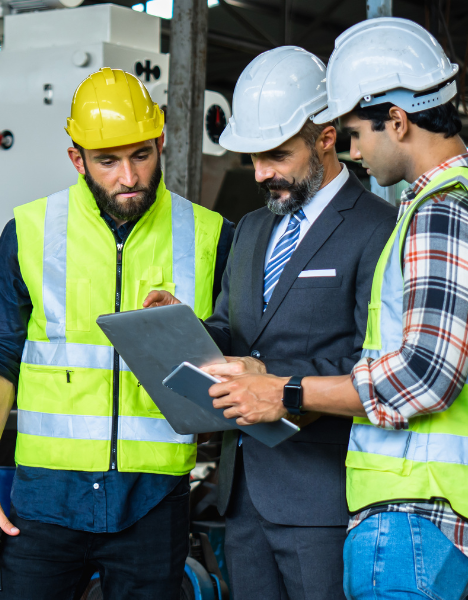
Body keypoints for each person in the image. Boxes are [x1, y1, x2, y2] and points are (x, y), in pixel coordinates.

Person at [206, 18, 468, 600]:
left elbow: (422, 375)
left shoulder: (443, 213)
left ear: (398, 120)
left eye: (356, 132)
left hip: (421, 509)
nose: (355, 150)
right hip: (451, 514)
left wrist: (284, 391)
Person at [0, 67, 234, 600]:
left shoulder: (209, 236)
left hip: (154, 502)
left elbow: (238, 360)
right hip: (44, 502)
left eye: (141, 156)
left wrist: (190, 334)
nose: (128, 177)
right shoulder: (30, 231)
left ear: (160, 143)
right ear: (77, 159)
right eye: (107, 161)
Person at [143, 46, 397, 600]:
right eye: (252, 158)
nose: (261, 174)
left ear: (326, 137)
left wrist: (274, 380)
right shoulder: (253, 228)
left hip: (322, 495)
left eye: (277, 156)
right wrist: (181, 328)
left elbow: (377, 363)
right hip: (242, 493)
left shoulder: (378, 229)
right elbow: (231, 331)